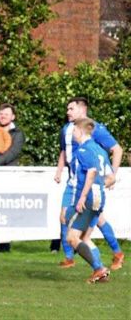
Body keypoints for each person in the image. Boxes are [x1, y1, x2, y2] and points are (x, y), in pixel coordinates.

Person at [53, 97, 124, 270]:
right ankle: (71, 257)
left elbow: (116, 149)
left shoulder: (93, 129)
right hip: (74, 182)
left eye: (71, 109)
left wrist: (111, 175)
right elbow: (64, 151)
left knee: (89, 227)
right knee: (65, 217)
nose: (67, 112)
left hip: (89, 184)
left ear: (82, 109)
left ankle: (110, 257)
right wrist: (59, 170)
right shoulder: (67, 129)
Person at [65, 118, 111, 283]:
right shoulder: (99, 150)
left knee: (72, 237)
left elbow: (91, 172)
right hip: (99, 197)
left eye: (75, 131)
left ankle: (99, 269)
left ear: (81, 131)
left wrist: (83, 196)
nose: (73, 134)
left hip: (89, 197)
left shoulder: (83, 150)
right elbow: (109, 176)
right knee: (84, 237)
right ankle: (100, 270)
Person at [0, 104, 25, 253]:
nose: (2, 116)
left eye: (6, 114)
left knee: (4, 209)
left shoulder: (17, 134)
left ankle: (3, 246)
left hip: (7, 174)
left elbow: (13, 152)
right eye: (0, 113)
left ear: (13, 117)